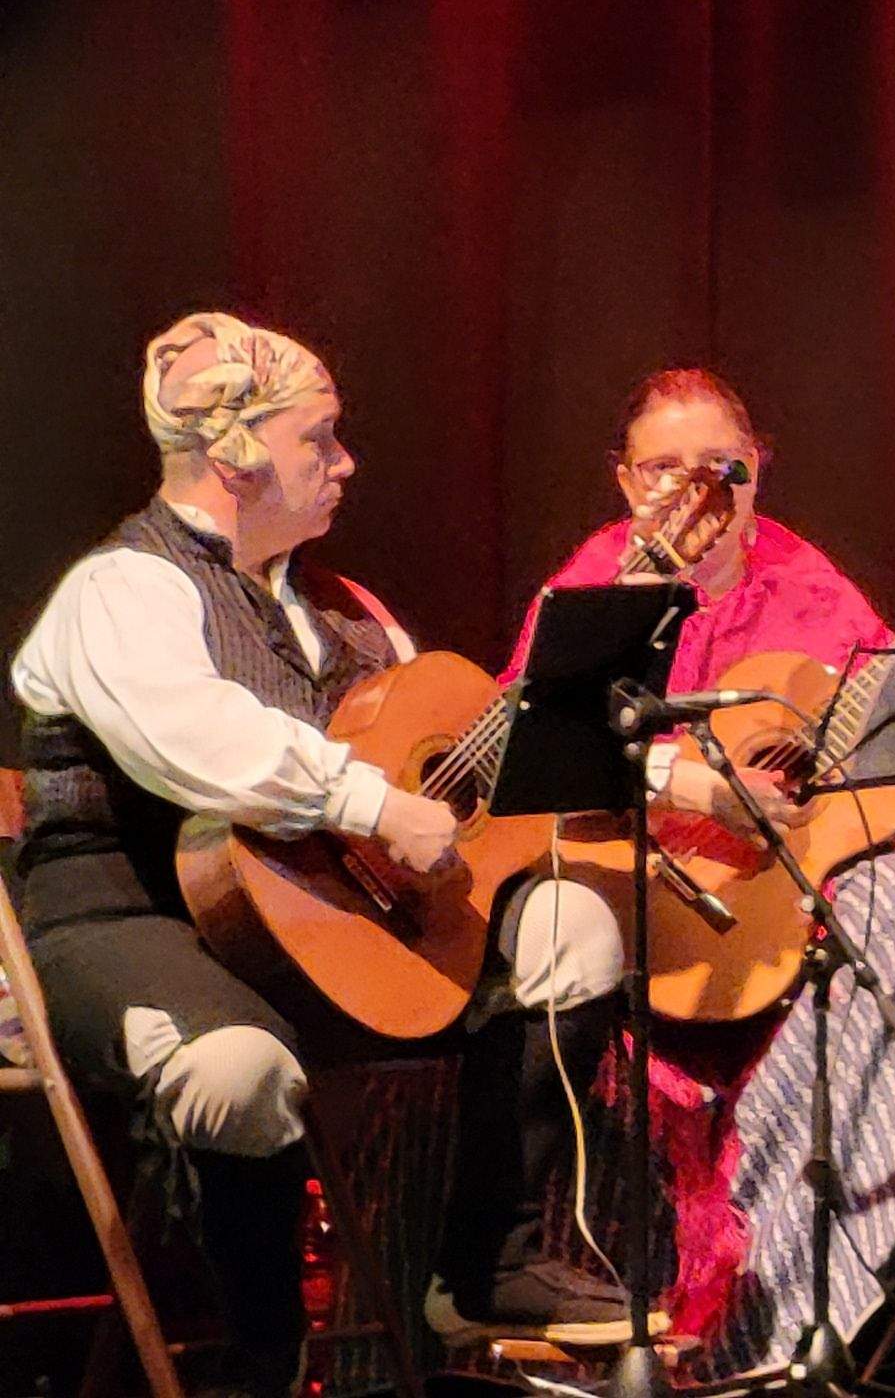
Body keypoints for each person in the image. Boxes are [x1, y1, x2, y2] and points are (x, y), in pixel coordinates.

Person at [10, 315, 652, 1392]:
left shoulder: (349, 617)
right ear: (235, 453)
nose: (346, 463)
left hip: (319, 936)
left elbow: (465, 763)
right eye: (322, 438)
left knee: (573, 926)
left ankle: (486, 1263)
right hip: (128, 919)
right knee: (238, 1069)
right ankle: (263, 1364)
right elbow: (200, 745)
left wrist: (641, 760)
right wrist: (370, 804)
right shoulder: (121, 588)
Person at [508, 367, 895, 1373]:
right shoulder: (593, 586)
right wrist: (694, 783)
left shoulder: (809, 589)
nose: (695, 496)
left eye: (721, 469)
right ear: (623, 480)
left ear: (759, 469)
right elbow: (523, 767)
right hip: (647, 918)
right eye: (664, 471)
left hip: (785, 926)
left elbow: (880, 760)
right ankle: (807, 1315)